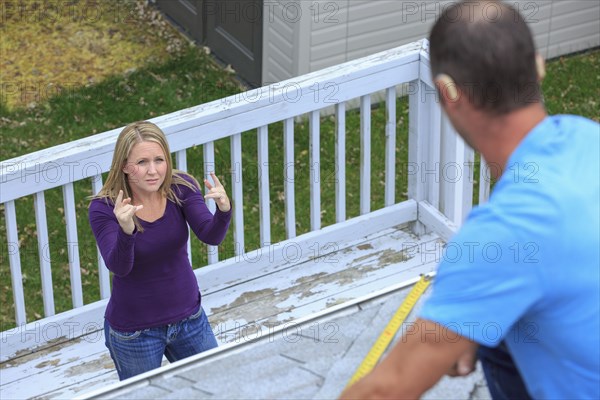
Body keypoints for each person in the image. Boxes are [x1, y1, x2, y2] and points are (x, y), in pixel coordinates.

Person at [340, 1, 600, 399]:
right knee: (494, 334)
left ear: (447, 91)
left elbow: (385, 391)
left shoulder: (505, 234)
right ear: (538, 66)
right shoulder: (586, 137)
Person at [88, 121, 232, 380]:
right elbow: (120, 267)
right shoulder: (104, 208)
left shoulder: (181, 187)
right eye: (142, 162)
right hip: (135, 333)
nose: (153, 171)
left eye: (159, 160)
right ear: (124, 166)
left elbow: (210, 235)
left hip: (189, 318)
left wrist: (223, 210)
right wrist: (126, 230)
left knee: (216, 384)